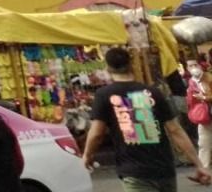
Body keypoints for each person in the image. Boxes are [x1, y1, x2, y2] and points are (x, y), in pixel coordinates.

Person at [81, 47, 211, 192]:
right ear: (131, 65)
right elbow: (176, 131)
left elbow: (97, 133)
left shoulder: (104, 94)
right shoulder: (154, 92)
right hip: (164, 169)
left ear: (108, 68)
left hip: (135, 172)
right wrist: (198, 164)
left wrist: (87, 155)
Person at [188, 63, 211, 169]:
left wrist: (204, 98)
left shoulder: (209, 78)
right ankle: (203, 170)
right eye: (190, 66)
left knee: (204, 141)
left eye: (194, 65)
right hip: (205, 116)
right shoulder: (192, 82)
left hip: (208, 113)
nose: (193, 68)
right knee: (203, 142)